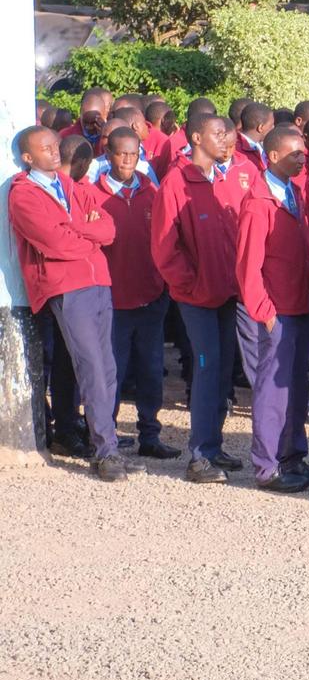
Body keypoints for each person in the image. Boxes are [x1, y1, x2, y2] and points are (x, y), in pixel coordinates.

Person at [9, 126, 124, 479]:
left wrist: (76, 228)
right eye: (45, 148)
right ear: (27, 157)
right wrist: (86, 233)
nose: (54, 151)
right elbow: (56, 244)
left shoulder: (72, 186)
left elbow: (109, 229)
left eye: (55, 145)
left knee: (107, 368)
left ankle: (103, 441)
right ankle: (106, 451)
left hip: (98, 280)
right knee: (91, 367)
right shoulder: (23, 195)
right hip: (66, 286)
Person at [150, 114, 248, 483]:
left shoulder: (221, 179)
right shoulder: (176, 183)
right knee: (207, 368)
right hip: (197, 296)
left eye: (227, 133)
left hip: (226, 292)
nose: (226, 139)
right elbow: (164, 247)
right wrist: (189, 284)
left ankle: (213, 444)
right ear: (195, 137)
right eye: (217, 134)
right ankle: (199, 456)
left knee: (222, 369)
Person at [234, 125, 309, 492]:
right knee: (272, 389)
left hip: (300, 304)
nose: (302, 158)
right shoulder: (258, 202)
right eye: (294, 153)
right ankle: (267, 466)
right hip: (277, 310)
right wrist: (264, 311)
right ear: (272, 156)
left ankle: (292, 455)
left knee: (295, 385)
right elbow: (248, 264)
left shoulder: (294, 192)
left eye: (303, 152)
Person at [92, 127, 174, 461]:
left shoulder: (152, 191)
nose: (128, 160)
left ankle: (150, 434)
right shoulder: (93, 195)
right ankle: (107, 438)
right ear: (107, 155)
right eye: (121, 153)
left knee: (151, 370)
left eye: (134, 154)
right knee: (112, 372)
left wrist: (163, 284)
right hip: (112, 301)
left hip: (150, 297)